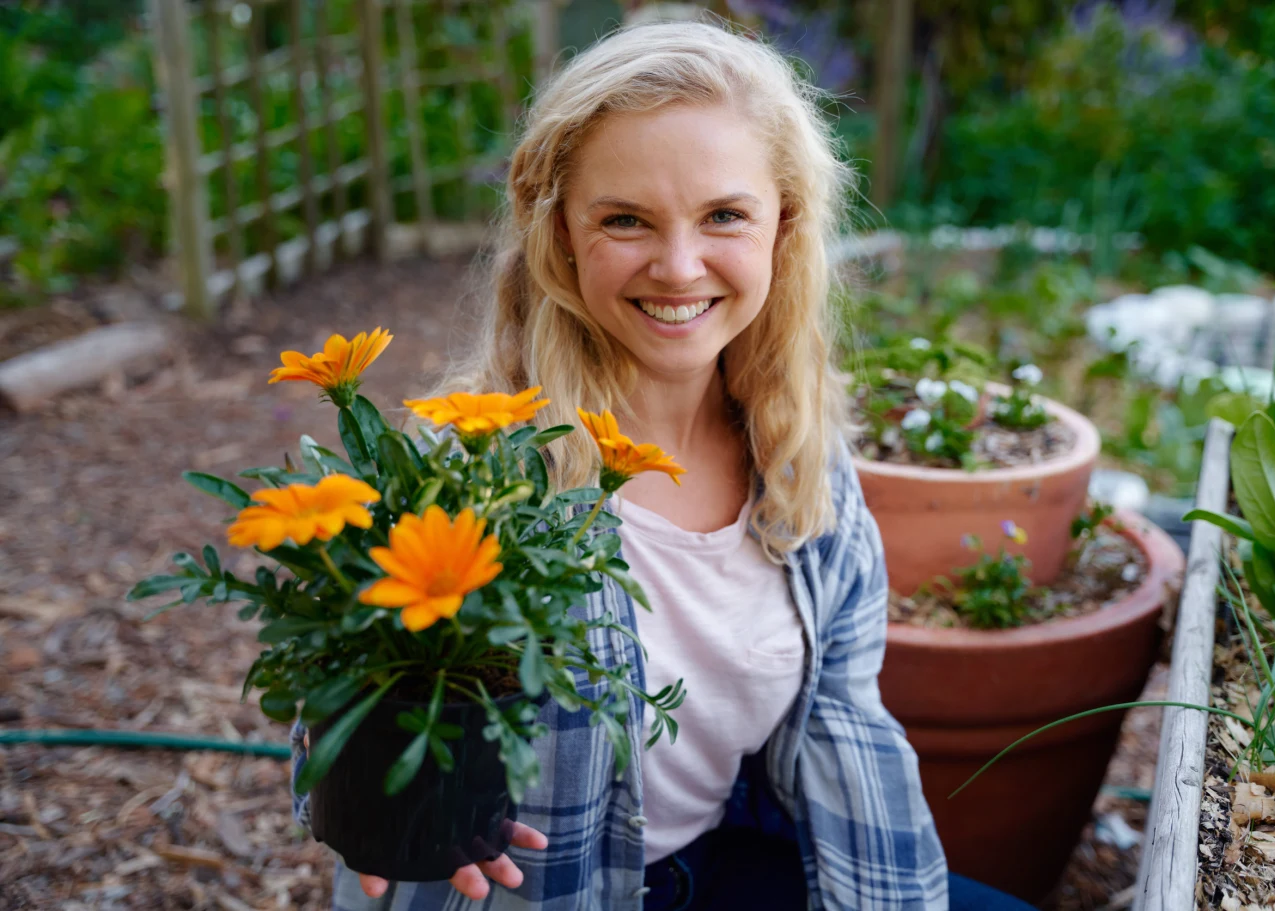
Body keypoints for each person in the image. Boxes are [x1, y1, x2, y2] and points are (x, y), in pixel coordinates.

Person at [292, 18, 1035, 911]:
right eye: (626, 220)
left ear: (783, 228)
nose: (679, 268)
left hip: (716, 865)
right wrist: (361, 790)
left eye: (724, 215)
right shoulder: (472, 473)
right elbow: (340, 707)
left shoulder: (800, 462)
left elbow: (844, 728)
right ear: (561, 233)